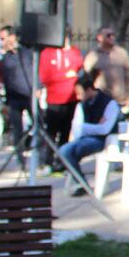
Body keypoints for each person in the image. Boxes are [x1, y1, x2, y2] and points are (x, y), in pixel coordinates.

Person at [57, 72, 122, 193]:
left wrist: (85, 127)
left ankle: (82, 185)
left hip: (101, 140)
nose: (78, 97)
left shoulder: (109, 103)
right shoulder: (82, 105)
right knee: (64, 152)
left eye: (80, 93)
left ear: (89, 90)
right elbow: (77, 127)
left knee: (67, 153)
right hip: (83, 139)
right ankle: (82, 183)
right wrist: (92, 127)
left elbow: (105, 129)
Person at [38, 31, 84, 162]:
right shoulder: (47, 53)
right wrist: (64, 76)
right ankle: (49, 159)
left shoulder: (74, 52)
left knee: (66, 130)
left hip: (71, 98)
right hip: (54, 98)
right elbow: (45, 77)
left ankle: (62, 159)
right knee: (52, 131)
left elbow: (78, 68)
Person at [0, 26, 35, 164]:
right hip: (14, 98)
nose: (2, 42)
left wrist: (38, 88)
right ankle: (20, 159)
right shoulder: (5, 57)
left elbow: (33, 70)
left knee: (37, 125)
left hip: (29, 95)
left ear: (12, 37)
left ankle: (41, 157)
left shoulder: (25, 53)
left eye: (3, 38)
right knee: (17, 129)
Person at [82, 26, 129, 106]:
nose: (112, 37)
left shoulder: (122, 53)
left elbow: (128, 77)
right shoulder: (93, 56)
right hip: (101, 101)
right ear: (99, 37)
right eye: (108, 35)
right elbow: (86, 77)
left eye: (113, 35)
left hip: (120, 101)